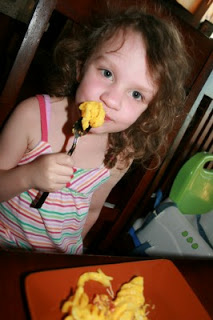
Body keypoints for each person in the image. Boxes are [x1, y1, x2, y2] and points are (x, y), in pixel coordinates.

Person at [0, 4, 189, 254]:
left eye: (136, 94)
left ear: (149, 110)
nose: (112, 99)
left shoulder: (120, 154)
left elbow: (92, 210)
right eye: (107, 73)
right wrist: (28, 176)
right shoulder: (32, 116)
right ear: (81, 66)